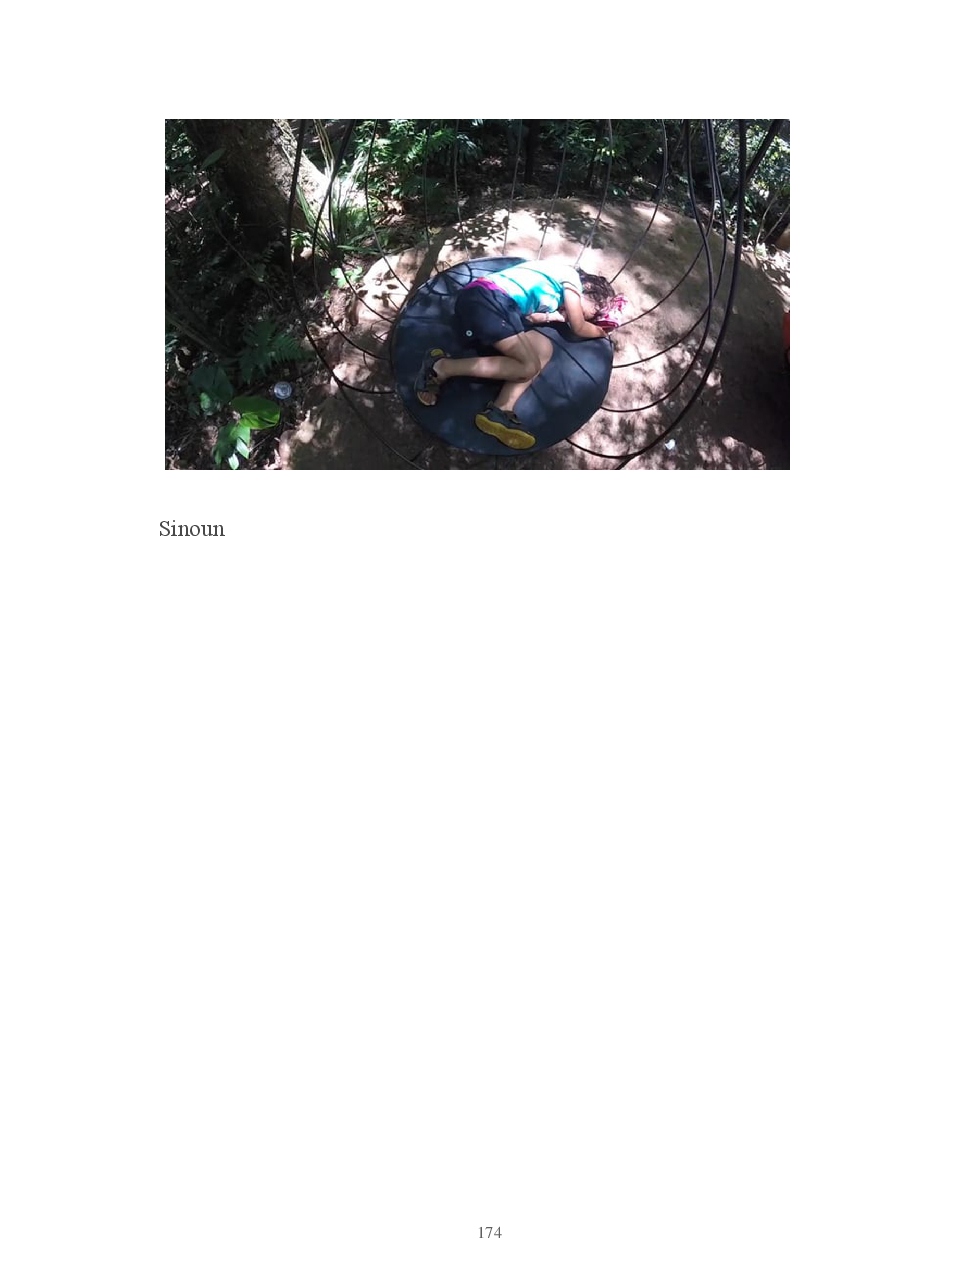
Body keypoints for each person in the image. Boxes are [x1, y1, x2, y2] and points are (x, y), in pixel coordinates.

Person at [415, 260, 622, 451]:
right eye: (591, 314)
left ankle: (500, 410)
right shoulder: (570, 277)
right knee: (528, 367)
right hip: (487, 299)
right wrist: (601, 331)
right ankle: (440, 367)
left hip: (498, 307)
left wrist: (551, 316)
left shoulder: (551, 289)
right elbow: (578, 326)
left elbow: (529, 317)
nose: (588, 318)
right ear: (587, 289)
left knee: (543, 348)